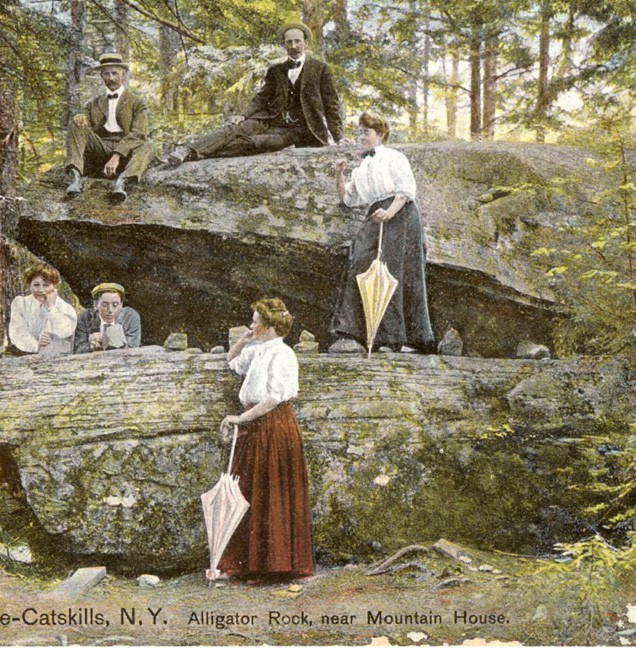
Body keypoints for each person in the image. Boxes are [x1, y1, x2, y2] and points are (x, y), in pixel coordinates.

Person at [217, 298, 314, 581]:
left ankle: (274, 565)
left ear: (269, 326)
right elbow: (231, 361)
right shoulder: (258, 350)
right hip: (256, 424)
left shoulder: (283, 354)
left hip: (273, 424)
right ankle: (251, 564)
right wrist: (245, 339)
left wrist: (240, 419)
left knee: (271, 491)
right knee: (250, 489)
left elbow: (272, 398)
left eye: (256, 322)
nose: (252, 325)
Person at [163, 21, 343, 167]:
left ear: (305, 43)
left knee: (255, 143)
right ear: (284, 44)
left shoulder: (321, 69)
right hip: (271, 119)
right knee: (234, 129)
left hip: (297, 130)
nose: (293, 46)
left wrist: (338, 137)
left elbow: (331, 104)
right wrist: (244, 115)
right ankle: (186, 150)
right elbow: (262, 98)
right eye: (289, 42)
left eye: (297, 41)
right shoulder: (275, 70)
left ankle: (196, 153)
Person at [328, 112, 434, 353]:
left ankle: (395, 340)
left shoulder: (394, 157)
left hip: (401, 214)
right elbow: (347, 199)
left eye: (366, 132)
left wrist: (390, 212)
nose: (361, 137)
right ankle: (354, 334)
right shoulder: (362, 167)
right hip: (377, 213)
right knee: (360, 262)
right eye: (360, 132)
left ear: (380, 134)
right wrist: (339, 175)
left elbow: (406, 190)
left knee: (394, 270)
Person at [65, 52, 157, 202]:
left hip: (126, 154)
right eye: (106, 74)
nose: (111, 78)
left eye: (115, 73)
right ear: (102, 76)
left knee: (149, 145)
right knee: (76, 123)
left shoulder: (137, 102)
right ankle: (75, 178)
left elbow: (138, 134)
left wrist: (116, 156)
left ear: (123, 75)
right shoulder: (93, 103)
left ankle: (122, 182)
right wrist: (79, 118)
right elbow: (84, 131)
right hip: (101, 150)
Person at [8, 262, 78, 357]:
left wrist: (51, 307)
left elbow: (64, 331)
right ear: (30, 285)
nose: (41, 290)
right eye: (36, 285)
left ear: (54, 286)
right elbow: (18, 332)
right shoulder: (21, 304)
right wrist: (36, 345)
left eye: (46, 285)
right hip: (28, 355)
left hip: (59, 357)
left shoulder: (65, 308)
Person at [73, 283, 142, 353]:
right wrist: (91, 346)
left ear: (121, 305)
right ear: (96, 304)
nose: (110, 310)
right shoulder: (84, 318)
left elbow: (133, 348)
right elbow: (78, 350)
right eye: (105, 305)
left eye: (115, 305)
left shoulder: (130, 317)